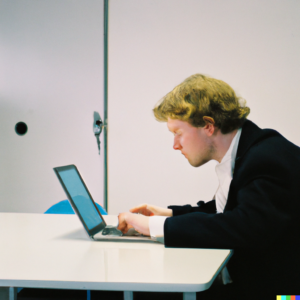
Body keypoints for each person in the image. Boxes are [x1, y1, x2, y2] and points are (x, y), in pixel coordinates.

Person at [117, 74, 300, 299]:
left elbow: (243, 226)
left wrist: (157, 226)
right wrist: (170, 214)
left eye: (178, 133)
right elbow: (229, 209)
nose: (175, 145)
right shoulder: (248, 150)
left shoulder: (266, 158)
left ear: (208, 126)